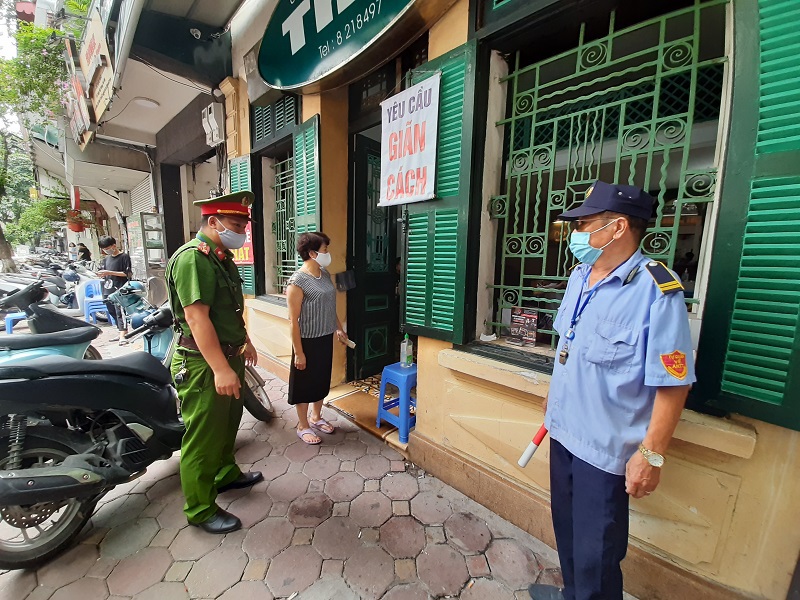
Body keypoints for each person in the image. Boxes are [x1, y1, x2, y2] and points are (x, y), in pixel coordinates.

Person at [528, 181, 696, 600]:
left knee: (596, 557)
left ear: (618, 227)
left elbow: (674, 383)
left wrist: (652, 454)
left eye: (584, 224)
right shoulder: (579, 277)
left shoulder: (656, 291)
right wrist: (554, 390)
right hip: (563, 432)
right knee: (566, 534)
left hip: (603, 454)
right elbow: (568, 345)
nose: (576, 234)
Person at [166, 191, 262, 534]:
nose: (241, 232)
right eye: (235, 225)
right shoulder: (194, 259)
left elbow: (229, 310)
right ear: (213, 222)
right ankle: (201, 509)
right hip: (204, 364)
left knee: (227, 423)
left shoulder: (220, 258)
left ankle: (225, 474)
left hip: (228, 355)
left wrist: (245, 342)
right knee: (203, 437)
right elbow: (197, 319)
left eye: (243, 226)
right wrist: (221, 368)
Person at [286, 232, 349, 445]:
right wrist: (299, 352)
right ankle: (302, 425)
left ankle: (316, 416)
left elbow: (330, 307)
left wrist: (338, 328)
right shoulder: (298, 281)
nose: (327, 254)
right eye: (325, 250)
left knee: (321, 380)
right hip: (306, 340)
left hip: (324, 337)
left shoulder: (324, 273)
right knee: (304, 384)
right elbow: (292, 320)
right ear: (312, 253)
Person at [97, 236, 132, 345]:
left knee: (120, 311)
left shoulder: (124, 257)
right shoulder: (106, 259)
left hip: (119, 288)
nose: (106, 250)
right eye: (104, 249)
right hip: (108, 288)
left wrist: (109, 272)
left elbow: (127, 274)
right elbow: (106, 273)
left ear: (114, 245)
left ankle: (123, 334)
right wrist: (103, 274)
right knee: (111, 310)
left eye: (107, 248)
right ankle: (120, 331)